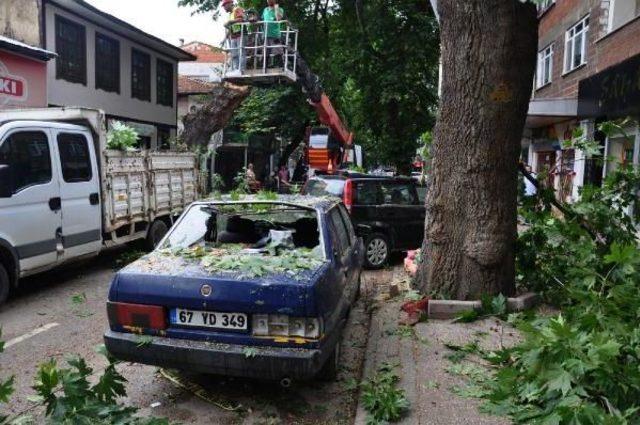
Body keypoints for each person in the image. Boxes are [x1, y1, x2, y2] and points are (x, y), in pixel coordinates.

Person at [223, 0, 245, 72]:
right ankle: (236, 69)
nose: (224, 8)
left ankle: (241, 70)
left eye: (224, 5)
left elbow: (242, 19)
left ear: (230, 4)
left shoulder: (237, 9)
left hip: (241, 35)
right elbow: (231, 27)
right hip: (233, 36)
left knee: (241, 53)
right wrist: (225, 37)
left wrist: (230, 22)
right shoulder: (230, 14)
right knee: (234, 54)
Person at [262, 0, 285, 68]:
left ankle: (281, 67)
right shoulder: (265, 9)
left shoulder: (280, 9)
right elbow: (262, 20)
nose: (268, 1)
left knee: (278, 52)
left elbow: (278, 18)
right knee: (265, 52)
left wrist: (276, 8)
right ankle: (264, 68)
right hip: (266, 35)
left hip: (275, 35)